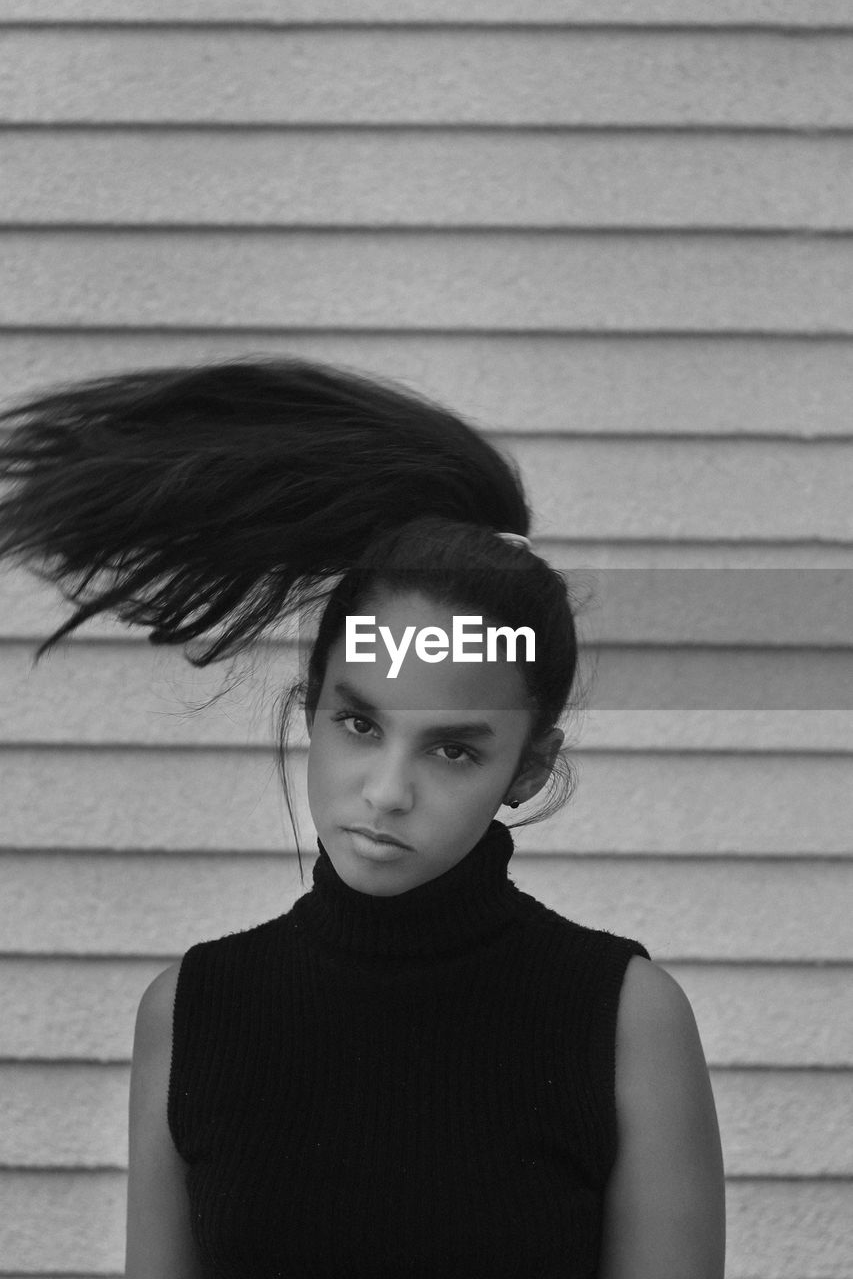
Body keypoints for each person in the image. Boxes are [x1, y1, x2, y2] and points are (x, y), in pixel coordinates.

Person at [0, 359, 725, 1278]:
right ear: (311, 709)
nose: (385, 790)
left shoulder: (623, 1018)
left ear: (526, 769)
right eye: (359, 723)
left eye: (452, 748)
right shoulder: (193, 1011)